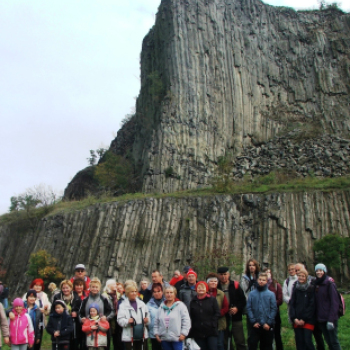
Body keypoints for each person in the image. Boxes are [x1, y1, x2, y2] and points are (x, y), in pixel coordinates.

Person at [217, 266, 246, 350]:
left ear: (228, 274)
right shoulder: (216, 286)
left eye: (225, 274)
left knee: (240, 340)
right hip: (223, 318)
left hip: (236, 317)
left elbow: (243, 300)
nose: (223, 276)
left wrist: (237, 308)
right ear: (218, 275)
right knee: (225, 341)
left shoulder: (235, 285)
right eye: (221, 274)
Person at [314, 263, 342, 350]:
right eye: (317, 271)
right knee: (328, 341)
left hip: (330, 318)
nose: (319, 272)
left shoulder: (330, 284)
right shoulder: (316, 284)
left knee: (334, 342)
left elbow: (335, 303)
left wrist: (331, 320)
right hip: (321, 318)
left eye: (321, 270)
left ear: (324, 271)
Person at [246, 272, 277, 350]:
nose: (261, 281)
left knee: (267, 346)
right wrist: (253, 321)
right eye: (260, 279)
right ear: (257, 280)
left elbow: (274, 309)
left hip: (267, 325)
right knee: (252, 344)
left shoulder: (271, 294)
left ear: (266, 281)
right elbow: (249, 308)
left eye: (263, 280)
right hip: (255, 325)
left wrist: (269, 322)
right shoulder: (252, 294)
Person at [154, 285, 191, 350]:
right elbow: (156, 321)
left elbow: (186, 321)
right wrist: (156, 334)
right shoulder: (161, 307)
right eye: (167, 293)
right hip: (164, 338)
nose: (169, 294)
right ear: (164, 294)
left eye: (171, 292)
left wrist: (184, 333)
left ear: (175, 294)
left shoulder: (180, 306)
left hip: (177, 338)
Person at [188, 281, 220, 350]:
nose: (201, 289)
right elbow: (191, 315)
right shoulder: (193, 301)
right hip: (198, 331)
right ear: (196, 289)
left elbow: (217, 312)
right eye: (199, 288)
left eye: (203, 288)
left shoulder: (212, 299)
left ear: (206, 289)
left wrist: (213, 323)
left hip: (211, 330)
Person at [289, 268, 316, 350]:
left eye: (303, 276)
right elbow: (292, 304)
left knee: (307, 340)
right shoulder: (296, 288)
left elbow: (312, 305)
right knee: (299, 341)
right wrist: (294, 318)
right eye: (299, 276)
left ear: (306, 277)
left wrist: (304, 318)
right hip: (297, 319)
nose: (301, 278)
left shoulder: (310, 288)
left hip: (308, 320)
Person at [117, 283, 150, 350]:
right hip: (129, 335)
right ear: (127, 293)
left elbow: (148, 315)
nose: (134, 293)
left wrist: (147, 320)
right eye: (132, 291)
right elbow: (119, 320)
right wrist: (127, 321)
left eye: (135, 291)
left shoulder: (142, 304)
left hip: (142, 334)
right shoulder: (123, 305)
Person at [52, 280, 82, 349]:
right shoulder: (57, 297)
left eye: (67, 288)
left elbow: (81, 310)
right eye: (63, 288)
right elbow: (52, 311)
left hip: (74, 325)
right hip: (61, 324)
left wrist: (76, 313)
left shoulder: (76, 297)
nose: (65, 290)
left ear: (71, 288)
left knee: (73, 345)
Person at [240, 259, 260, 345]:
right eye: (250, 265)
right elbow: (244, 292)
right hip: (249, 306)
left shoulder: (260, 277)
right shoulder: (245, 278)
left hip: (260, 307)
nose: (251, 267)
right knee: (251, 330)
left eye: (253, 265)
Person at [206, 273, 229, 350]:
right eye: (211, 281)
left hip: (219, 322)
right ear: (207, 283)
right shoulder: (204, 293)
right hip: (207, 323)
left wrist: (217, 315)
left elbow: (225, 307)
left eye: (215, 281)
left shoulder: (221, 293)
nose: (213, 283)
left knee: (219, 344)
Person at [27, 278, 51, 350]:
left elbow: (49, 306)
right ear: (32, 286)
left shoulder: (44, 295)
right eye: (36, 285)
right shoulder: (28, 294)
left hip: (40, 322)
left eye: (39, 286)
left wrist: (46, 309)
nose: (38, 287)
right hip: (29, 321)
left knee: (38, 341)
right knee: (29, 343)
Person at [264, 268, 283, 350]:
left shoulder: (276, 285)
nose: (268, 274)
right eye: (266, 272)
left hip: (275, 312)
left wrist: (271, 305)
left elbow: (280, 299)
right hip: (264, 313)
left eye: (269, 272)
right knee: (267, 335)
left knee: (277, 334)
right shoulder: (261, 285)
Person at [102, 279, 120, 350]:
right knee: (108, 339)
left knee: (118, 340)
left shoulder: (118, 295)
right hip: (108, 319)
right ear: (109, 286)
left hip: (117, 319)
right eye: (114, 284)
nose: (116, 285)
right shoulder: (104, 296)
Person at [147, 283, 165, 350]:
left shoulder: (168, 303)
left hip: (166, 334)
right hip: (154, 334)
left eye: (158, 291)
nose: (156, 293)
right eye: (154, 292)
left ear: (162, 292)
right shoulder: (148, 305)